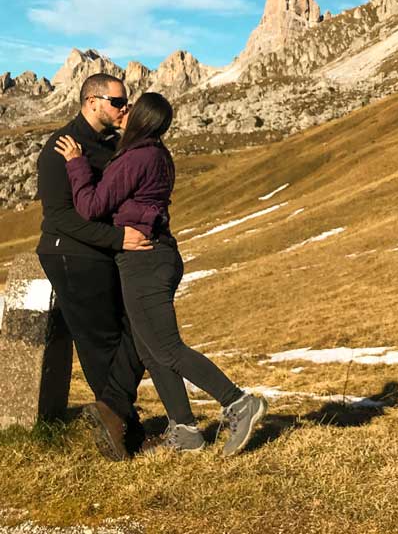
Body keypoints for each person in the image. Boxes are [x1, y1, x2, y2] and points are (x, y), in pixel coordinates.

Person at [54, 91, 265, 456]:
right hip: (154, 257)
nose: (123, 111)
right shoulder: (156, 154)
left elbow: (89, 206)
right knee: (151, 351)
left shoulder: (138, 157)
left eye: (130, 108)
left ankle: (238, 403)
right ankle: (184, 430)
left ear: (142, 120)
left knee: (166, 348)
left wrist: (76, 163)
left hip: (145, 262)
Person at [37, 73, 152, 461]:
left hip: (101, 254)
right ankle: (124, 433)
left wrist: (128, 130)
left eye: (127, 103)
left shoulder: (111, 144)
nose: (125, 108)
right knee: (101, 343)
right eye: (118, 102)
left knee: (138, 328)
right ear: (92, 101)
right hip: (72, 254)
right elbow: (61, 217)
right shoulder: (62, 146)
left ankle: (117, 420)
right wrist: (119, 240)